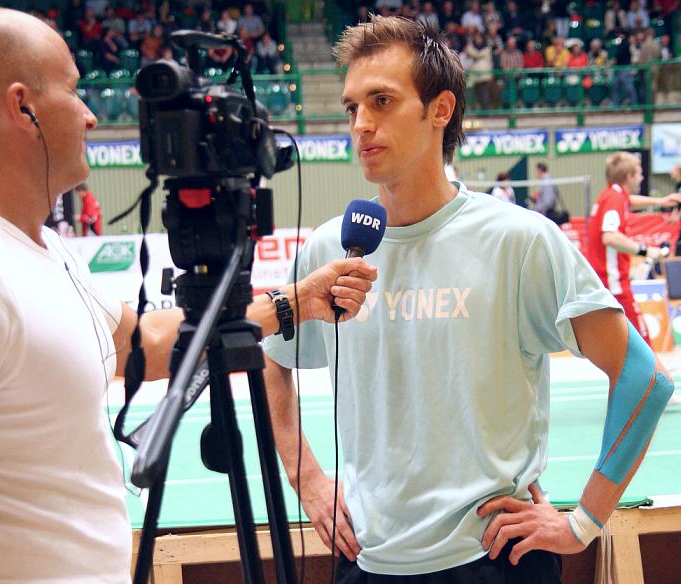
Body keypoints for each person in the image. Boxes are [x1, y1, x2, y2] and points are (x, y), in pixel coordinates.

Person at [262, 14, 674, 582]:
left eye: (382, 101)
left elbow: (644, 377)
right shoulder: (329, 249)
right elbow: (271, 364)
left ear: (441, 109)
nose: (360, 124)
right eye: (352, 107)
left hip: (493, 560)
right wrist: (307, 478)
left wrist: (583, 520)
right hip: (365, 560)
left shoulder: (519, 240)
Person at [0, 8, 377, 583]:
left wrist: (296, 302)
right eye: (74, 91)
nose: (91, 116)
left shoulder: (46, 250)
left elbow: (139, 343)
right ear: (24, 108)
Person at [587, 151, 681, 346]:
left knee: (625, 347)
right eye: (639, 173)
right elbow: (609, 236)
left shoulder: (611, 195)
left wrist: (661, 201)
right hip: (615, 286)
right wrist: (645, 250)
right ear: (628, 177)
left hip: (605, 284)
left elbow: (629, 201)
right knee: (643, 343)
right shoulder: (615, 199)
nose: (642, 176)